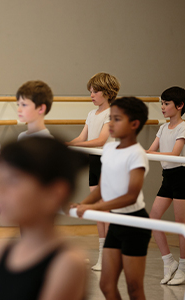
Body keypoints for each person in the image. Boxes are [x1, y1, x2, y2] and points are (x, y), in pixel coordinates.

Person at [0, 137, 88, 300]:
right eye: (2, 182)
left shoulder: (68, 263)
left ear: (54, 194)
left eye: (13, 181)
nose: (2, 192)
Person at [73, 97, 151, 300]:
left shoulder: (137, 154)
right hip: (116, 222)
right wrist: (84, 204)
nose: (110, 124)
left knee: (134, 288)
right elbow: (102, 187)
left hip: (134, 222)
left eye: (116, 119)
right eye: (110, 119)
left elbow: (131, 196)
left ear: (134, 124)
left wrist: (97, 207)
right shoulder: (108, 149)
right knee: (106, 285)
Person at [67, 72, 120, 271]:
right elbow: (82, 137)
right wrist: (66, 145)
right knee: (98, 210)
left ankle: (110, 256)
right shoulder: (92, 114)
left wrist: (76, 147)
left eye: (95, 91)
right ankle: (102, 255)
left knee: (106, 209)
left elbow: (101, 140)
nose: (91, 95)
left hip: (108, 161)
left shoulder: (113, 112)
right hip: (94, 161)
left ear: (107, 92)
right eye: (90, 91)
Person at [146, 86, 185, 285]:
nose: (162, 107)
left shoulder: (183, 127)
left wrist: (150, 154)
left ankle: (184, 266)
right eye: (161, 103)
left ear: (180, 106)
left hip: (182, 177)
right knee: (153, 218)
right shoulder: (163, 127)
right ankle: (168, 261)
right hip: (167, 177)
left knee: (181, 225)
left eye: (166, 103)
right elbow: (151, 150)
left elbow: (174, 155)